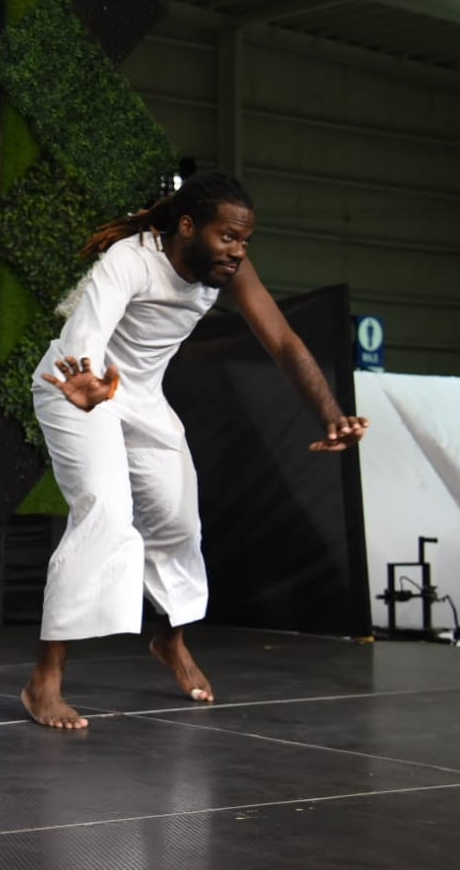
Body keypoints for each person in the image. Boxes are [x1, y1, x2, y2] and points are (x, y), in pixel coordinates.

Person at [23, 171, 368, 729]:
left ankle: (169, 638)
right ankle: (45, 680)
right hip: (77, 389)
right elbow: (86, 328)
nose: (237, 251)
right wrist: (85, 376)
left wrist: (333, 415)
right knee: (106, 513)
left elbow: (282, 340)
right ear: (188, 226)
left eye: (245, 241)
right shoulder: (130, 261)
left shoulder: (225, 269)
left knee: (180, 521)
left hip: (142, 399)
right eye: (228, 237)